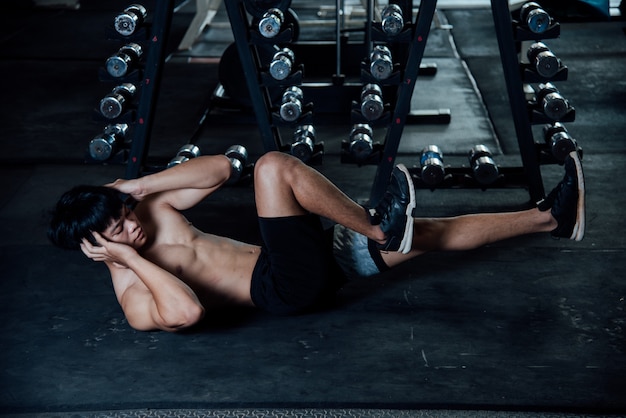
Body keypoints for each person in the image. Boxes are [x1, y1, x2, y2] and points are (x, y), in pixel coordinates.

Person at [48, 150, 585, 332]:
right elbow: (185, 313)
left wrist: (138, 186)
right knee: (274, 167)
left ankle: (548, 220)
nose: (133, 225)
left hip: (302, 266)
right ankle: (376, 226)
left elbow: (218, 170)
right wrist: (124, 258)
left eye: (126, 215)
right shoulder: (133, 297)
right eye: (119, 228)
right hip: (285, 289)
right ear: (93, 246)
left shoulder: (149, 208)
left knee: (430, 235)